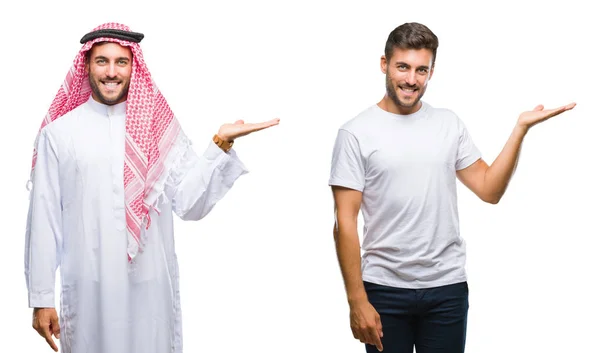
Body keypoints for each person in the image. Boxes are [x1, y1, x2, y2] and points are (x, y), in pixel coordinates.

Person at [24, 23, 279, 353]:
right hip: (90, 293)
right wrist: (41, 298)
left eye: (122, 62)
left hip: (149, 291)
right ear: (86, 66)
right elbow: (44, 221)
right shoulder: (59, 135)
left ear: (134, 67)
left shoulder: (158, 129)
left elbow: (189, 203)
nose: (112, 72)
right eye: (102, 61)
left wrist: (220, 143)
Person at [328, 22, 575, 353]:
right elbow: (345, 221)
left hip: (446, 288)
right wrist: (357, 301)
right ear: (384, 64)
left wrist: (519, 131)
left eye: (421, 70)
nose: (411, 79)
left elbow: (489, 190)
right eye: (402, 67)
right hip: (384, 289)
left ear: (431, 71)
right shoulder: (355, 133)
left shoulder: (448, 123)